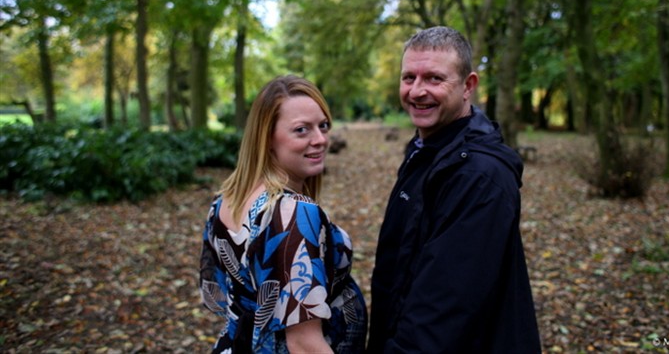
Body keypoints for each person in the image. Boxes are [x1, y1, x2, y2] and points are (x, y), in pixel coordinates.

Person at [367, 27, 541, 353]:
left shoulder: (478, 176)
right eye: (409, 78)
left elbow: (444, 310)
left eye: (434, 79)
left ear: (468, 86)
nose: (417, 91)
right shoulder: (426, 153)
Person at [200, 75, 367, 353]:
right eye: (302, 130)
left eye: (323, 126)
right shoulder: (294, 213)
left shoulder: (225, 199)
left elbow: (218, 297)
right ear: (267, 139)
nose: (321, 139)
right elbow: (304, 344)